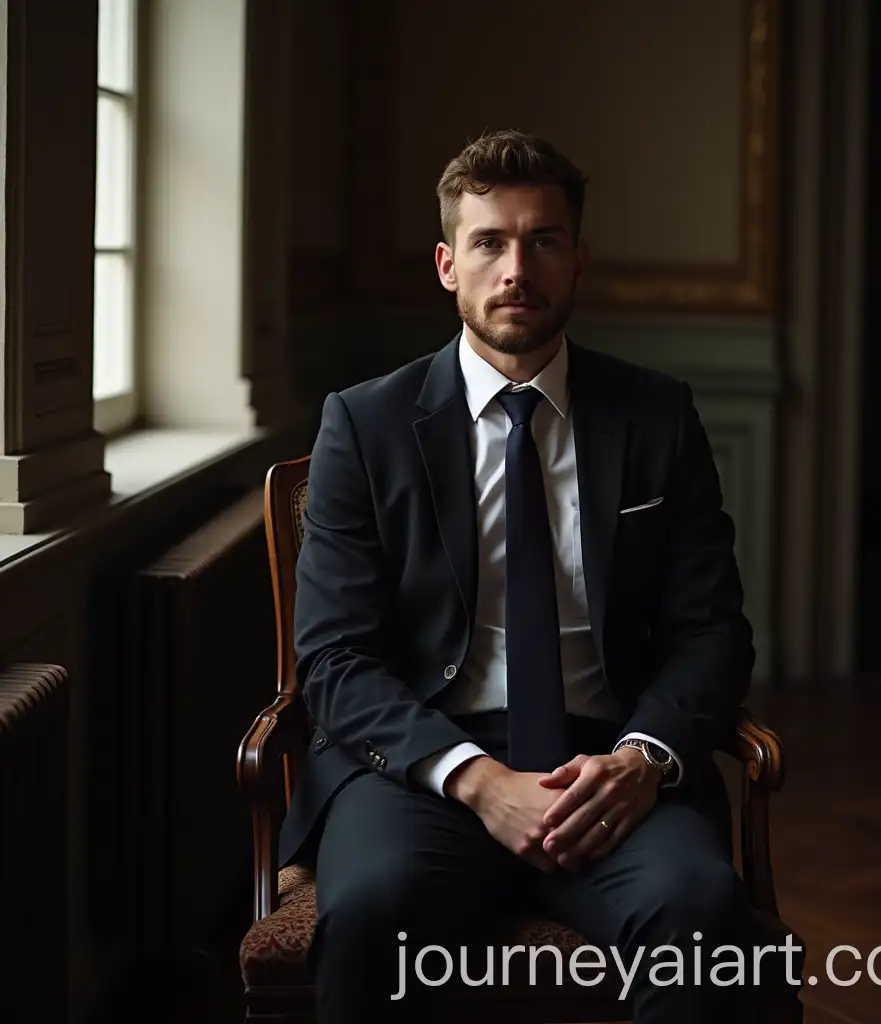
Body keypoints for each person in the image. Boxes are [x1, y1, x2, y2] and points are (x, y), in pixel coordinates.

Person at [281, 129, 758, 1022]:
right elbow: (335, 659)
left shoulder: (656, 416)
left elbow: (712, 631)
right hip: (422, 770)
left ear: (579, 261)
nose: (516, 269)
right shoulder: (365, 425)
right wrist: (473, 778)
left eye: (543, 241)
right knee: (370, 912)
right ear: (446, 264)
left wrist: (643, 759)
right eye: (490, 242)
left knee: (702, 913)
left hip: (608, 764)